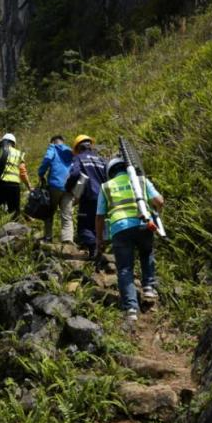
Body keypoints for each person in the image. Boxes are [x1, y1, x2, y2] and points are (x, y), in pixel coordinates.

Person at [95, 156, 165, 322]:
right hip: (143, 223)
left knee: (125, 268)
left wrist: (99, 239)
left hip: (120, 229)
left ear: (110, 172)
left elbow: (99, 216)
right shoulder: (140, 180)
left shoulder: (106, 187)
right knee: (146, 253)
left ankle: (132, 309)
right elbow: (159, 201)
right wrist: (156, 213)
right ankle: (148, 287)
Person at [65, 135, 108, 268]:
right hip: (104, 196)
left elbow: (74, 174)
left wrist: (68, 187)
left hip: (88, 196)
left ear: (78, 148)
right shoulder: (102, 160)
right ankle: (101, 252)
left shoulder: (78, 158)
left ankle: (94, 250)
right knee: (100, 224)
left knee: (85, 226)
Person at [0, 133, 32, 217]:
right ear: (14, 143)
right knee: (14, 212)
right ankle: (14, 227)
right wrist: (28, 185)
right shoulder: (18, 153)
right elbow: (23, 172)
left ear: (3, 141)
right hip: (14, 186)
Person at [37, 135, 74, 242]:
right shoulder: (70, 151)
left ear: (53, 142)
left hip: (55, 185)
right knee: (67, 214)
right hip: (69, 186)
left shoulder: (53, 148)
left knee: (49, 212)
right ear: (63, 141)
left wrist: (41, 173)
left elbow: (47, 158)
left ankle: (48, 237)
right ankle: (67, 240)